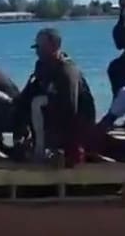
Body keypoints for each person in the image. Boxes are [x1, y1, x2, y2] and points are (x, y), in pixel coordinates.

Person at [14, 28, 97, 165]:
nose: (37, 51)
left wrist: (54, 141)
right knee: (27, 103)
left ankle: (45, 152)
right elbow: (26, 96)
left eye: (40, 47)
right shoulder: (42, 67)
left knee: (38, 102)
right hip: (55, 116)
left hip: (77, 123)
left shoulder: (67, 71)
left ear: (53, 46)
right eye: (36, 47)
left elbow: (71, 108)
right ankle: (33, 146)